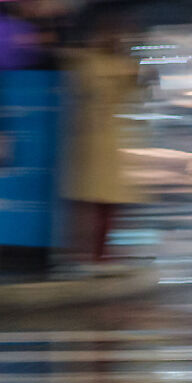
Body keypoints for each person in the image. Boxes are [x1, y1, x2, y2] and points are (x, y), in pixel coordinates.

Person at [61, 17, 141, 266]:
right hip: (98, 140)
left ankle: (94, 251)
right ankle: (95, 252)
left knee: (97, 202)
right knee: (99, 202)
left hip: (96, 140)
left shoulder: (91, 63)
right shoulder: (116, 66)